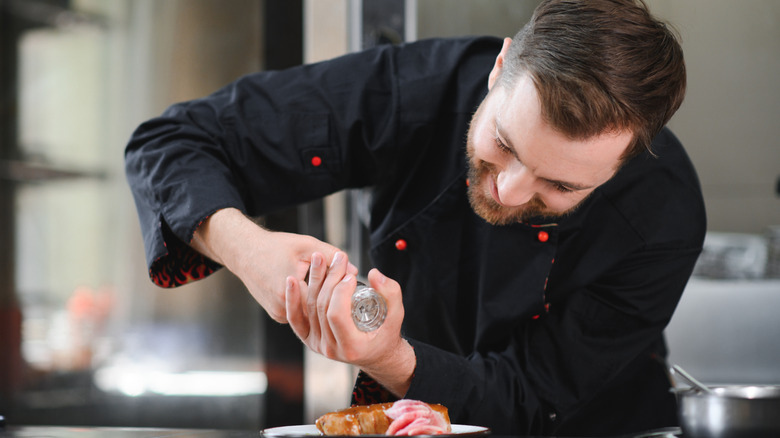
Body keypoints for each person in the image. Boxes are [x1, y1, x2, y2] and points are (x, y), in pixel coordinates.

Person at [124, 0, 706, 435]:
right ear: (499, 67)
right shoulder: (420, 90)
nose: (506, 190)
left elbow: (533, 396)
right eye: (503, 143)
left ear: (627, 161)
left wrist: (390, 358)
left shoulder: (664, 215)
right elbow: (172, 142)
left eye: (559, 184)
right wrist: (249, 250)